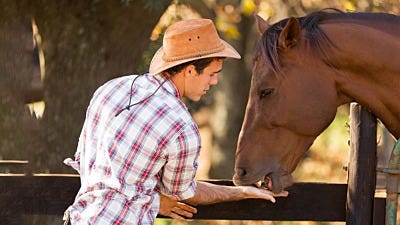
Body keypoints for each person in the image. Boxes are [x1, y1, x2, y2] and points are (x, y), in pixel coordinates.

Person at [63, 18, 287, 225]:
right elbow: (183, 193)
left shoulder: (111, 90)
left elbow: (96, 171)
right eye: (211, 73)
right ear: (190, 70)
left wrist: (152, 200)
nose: (215, 81)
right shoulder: (181, 127)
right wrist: (242, 192)